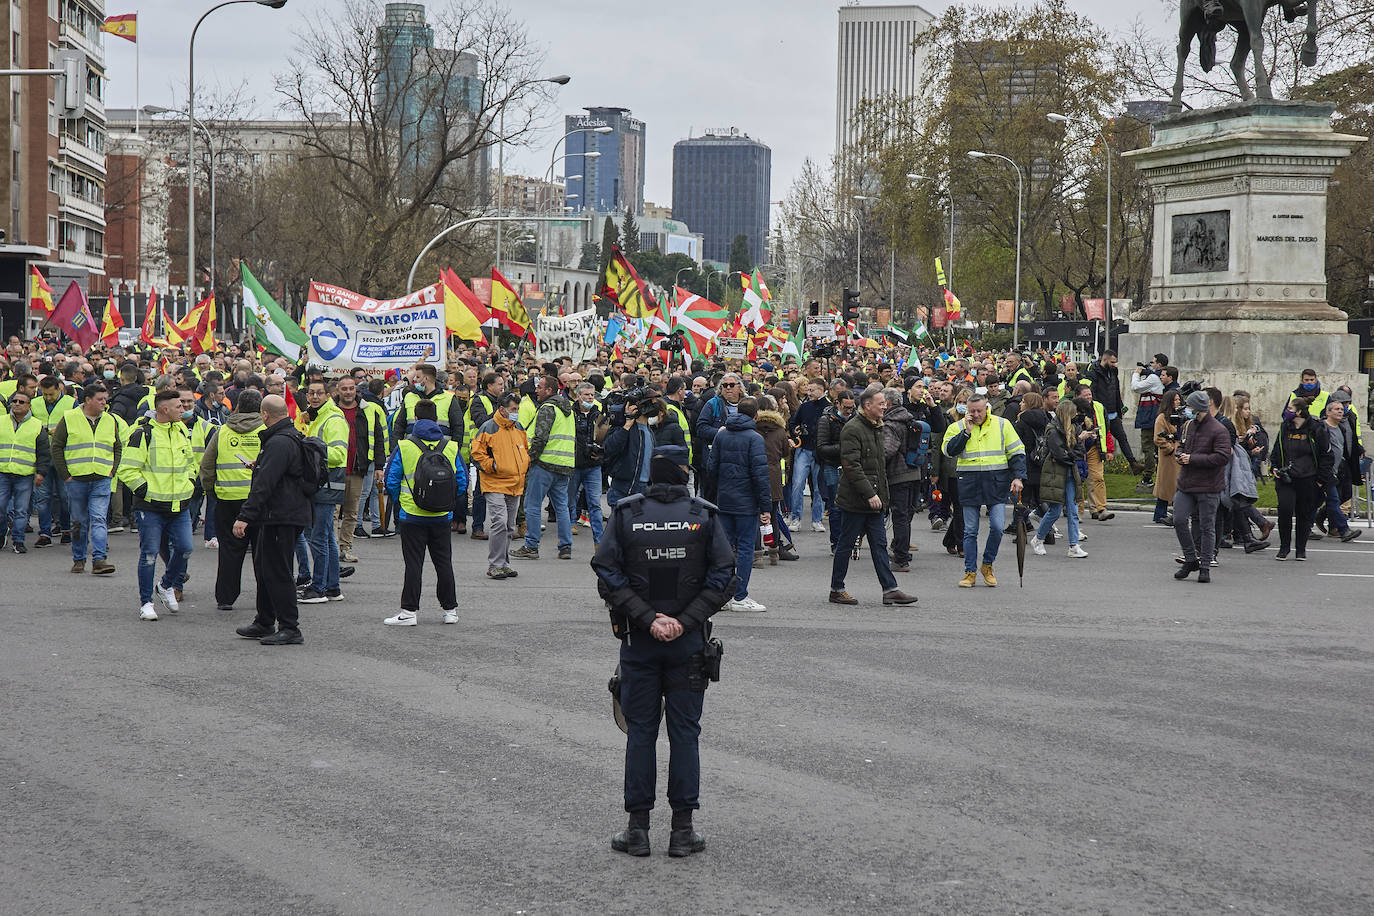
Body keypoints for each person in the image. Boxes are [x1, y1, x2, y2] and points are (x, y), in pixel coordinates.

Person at [591, 444, 735, 859]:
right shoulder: (703, 515)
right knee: (685, 734)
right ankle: (682, 831)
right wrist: (685, 622)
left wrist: (648, 618)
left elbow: (606, 573)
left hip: (639, 641)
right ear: (682, 471)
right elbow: (724, 575)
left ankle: (637, 830)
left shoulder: (626, 513)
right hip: (688, 642)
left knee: (641, 733)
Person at [827, 388, 919, 607]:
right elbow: (852, 467)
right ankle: (836, 589)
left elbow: (878, 468)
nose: (884, 407)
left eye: (885, 403)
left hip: (875, 499)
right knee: (846, 545)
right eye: (880, 403)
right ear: (868, 405)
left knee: (879, 545)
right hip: (856, 500)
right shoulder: (853, 428)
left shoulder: (878, 427)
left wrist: (881, 497)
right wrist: (869, 494)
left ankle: (890, 590)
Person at [232, 395, 311, 645]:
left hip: (282, 515)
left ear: (265, 415)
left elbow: (265, 485)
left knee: (278, 571)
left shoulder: (279, 442)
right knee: (265, 569)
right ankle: (264, 621)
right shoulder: (288, 436)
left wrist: (244, 517)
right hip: (280, 514)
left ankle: (290, 627)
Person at [382, 399, 466, 626]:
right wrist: (446, 503)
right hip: (441, 516)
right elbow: (462, 481)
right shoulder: (450, 446)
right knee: (444, 563)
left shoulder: (404, 446)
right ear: (437, 419)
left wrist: (403, 502)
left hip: (412, 515)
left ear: (415, 419)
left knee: (413, 564)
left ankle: (409, 612)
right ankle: (450, 610)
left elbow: (391, 480)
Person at [117, 389, 197, 621]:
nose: (183, 409)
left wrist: (190, 482)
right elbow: (127, 469)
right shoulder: (142, 433)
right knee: (149, 555)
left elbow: (190, 462)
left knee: (185, 548)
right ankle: (146, 603)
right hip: (151, 507)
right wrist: (146, 491)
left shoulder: (181, 429)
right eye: (179, 406)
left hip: (179, 504)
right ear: (165, 409)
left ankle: (165, 585)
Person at [942, 392, 1027, 588]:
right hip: (969, 483)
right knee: (970, 531)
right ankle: (970, 571)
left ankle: (987, 564)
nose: (976, 414)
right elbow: (948, 451)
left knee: (997, 527)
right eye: (972, 411)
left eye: (979, 410)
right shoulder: (957, 427)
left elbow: (1017, 451)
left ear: (986, 407)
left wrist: (1018, 477)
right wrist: (966, 432)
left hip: (996, 482)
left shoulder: (1002, 424)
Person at [704, 397, 771, 612]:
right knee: (744, 549)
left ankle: (720, 595)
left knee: (723, 549)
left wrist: (712, 498)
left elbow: (711, 469)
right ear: (756, 415)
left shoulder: (721, 434)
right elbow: (760, 475)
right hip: (746, 502)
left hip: (724, 499)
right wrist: (766, 506)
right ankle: (739, 596)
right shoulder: (755, 438)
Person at [200, 389, 264, 611]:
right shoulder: (267, 430)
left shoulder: (223, 431)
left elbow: (207, 465)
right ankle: (265, 597)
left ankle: (225, 598)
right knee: (262, 552)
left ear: (237, 406)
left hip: (227, 499)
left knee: (229, 550)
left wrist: (212, 491)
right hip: (259, 501)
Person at [50, 381, 120, 575]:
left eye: (105, 399)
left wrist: (112, 469)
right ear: (87, 400)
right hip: (77, 480)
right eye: (100, 399)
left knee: (98, 519)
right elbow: (56, 446)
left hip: (101, 478)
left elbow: (117, 446)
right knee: (79, 521)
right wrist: (65, 474)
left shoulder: (109, 419)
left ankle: (99, 559)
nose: (104, 403)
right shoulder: (70, 418)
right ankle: (79, 558)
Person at [512, 374, 576, 561]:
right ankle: (565, 547)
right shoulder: (568, 409)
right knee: (562, 507)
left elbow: (540, 438)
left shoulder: (547, 408)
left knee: (533, 505)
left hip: (544, 464)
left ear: (549, 390)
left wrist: (529, 460)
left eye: (539, 387)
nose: (536, 390)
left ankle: (531, 546)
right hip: (564, 465)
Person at [1172, 390, 1232, 583]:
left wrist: (1193, 459)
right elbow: (1182, 445)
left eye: (1189, 406)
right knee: (1179, 519)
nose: (1186, 409)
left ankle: (1205, 566)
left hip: (1209, 486)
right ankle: (1190, 559)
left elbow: (1222, 456)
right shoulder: (1189, 425)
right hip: (1187, 483)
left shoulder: (1218, 429)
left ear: (1198, 409)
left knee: (1207, 527)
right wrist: (1180, 454)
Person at [469, 392, 529, 579]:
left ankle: (503, 563)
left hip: (515, 483)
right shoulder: (489, 427)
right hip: (494, 482)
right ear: (502, 409)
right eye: (513, 409)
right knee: (500, 523)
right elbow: (476, 454)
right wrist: (492, 466)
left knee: (509, 526)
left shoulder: (518, 427)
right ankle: (495, 564)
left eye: (517, 409)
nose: (516, 412)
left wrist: (524, 466)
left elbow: (525, 450)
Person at [301, 378, 349, 603]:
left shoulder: (333, 418)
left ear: (328, 395)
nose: (315, 397)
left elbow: (339, 455)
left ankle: (319, 588)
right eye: (311, 393)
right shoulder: (316, 416)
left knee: (318, 537)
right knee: (326, 537)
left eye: (319, 393)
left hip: (326, 485)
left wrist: (311, 448)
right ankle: (331, 587)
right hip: (321, 484)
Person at [334, 374, 388, 564]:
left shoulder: (367, 410)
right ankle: (332, 549)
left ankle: (345, 548)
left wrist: (380, 466)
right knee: (333, 512)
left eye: (351, 389)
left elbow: (379, 439)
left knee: (351, 512)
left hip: (358, 468)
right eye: (344, 389)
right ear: (337, 391)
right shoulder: (329, 410)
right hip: (334, 469)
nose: (348, 392)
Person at [1269, 397, 1331, 560]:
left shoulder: (1315, 429)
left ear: (1299, 412)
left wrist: (1320, 479)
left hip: (1308, 478)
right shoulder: (1285, 427)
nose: (1287, 411)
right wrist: (1274, 467)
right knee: (1285, 510)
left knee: (1304, 514)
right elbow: (1276, 449)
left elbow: (1326, 455)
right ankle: (1284, 547)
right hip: (1286, 478)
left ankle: (1301, 549)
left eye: (1290, 409)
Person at [1030, 400, 1090, 558]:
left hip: (1070, 472)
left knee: (1073, 510)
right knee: (1054, 511)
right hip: (1055, 473)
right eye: (1073, 413)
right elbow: (1058, 454)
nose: (1076, 415)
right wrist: (1069, 455)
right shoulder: (1053, 430)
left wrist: (1067, 454)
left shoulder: (1075, 428)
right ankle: (1038, 539)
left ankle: (1073, 545)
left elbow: (1078, 452)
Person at [0, 388, 49, 554]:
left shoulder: (36, 425)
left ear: (29, 406)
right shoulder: (1, 421)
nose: (17, 404)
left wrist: (41, 472)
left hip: (25, 474)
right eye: (14, 401)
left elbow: (43, 452)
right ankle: (1, 535)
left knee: (21, 510)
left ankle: (18, 541)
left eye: (21, 402)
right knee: (1, 507)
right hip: (2, 472)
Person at [880, 386, 922, 574]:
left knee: (900, 517)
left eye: (882, 403)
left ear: (888, 403)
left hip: (899, 474)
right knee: (906, 515)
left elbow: (887, 451)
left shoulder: (891, 423)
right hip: (915, 472)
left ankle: (901, 558)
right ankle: (901, 551)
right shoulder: (908, 418)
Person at [30, 374, 75, 546]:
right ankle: (45, 533)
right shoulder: (34, 403)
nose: (48, 398)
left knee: (65, 497)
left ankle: (66, 529)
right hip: (41, 457)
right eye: (44, 394)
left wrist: (62, 430)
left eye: (51, 394)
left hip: (63, 456)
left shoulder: (70, 403)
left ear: (59, 389)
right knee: (43, 497)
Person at [464, 371, 506, 541]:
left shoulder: (502, 401)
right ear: (489, 386)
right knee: (481, 490)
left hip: (501, 448)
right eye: (499, 384)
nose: (503, 387)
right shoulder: (478, 400)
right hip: (484, 450)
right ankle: (477, 527)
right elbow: (481, 421)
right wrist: (500, 413)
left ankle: (503, 525)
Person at [1086, 350, 1144, 474]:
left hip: (1113, 413)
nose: (1115, 364)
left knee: (1122, 438)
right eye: (1112, 362)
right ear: (1105, 360)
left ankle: (1133, 463)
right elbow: (1092, 393)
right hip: (1101, 414)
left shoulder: (1112, 372)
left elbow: (1116, 391)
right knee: (1100, 441)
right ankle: (1097, 466)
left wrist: (1120, 407)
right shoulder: (1093, 373)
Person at [1315, 397, 1363, 543]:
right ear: (1328, 412)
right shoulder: (1322, 428)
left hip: (1336, 470)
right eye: (1337, 409)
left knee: (1316, 501)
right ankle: (1344, 530)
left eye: (1342, 409)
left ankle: (1310, 523)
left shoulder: (1341, 428)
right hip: (1324, 471)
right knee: (1333, 500)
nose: (1340, 412)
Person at [816, 390, 855, 556]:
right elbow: (821, 448)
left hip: (852, 467)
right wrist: (844, 447)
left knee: (852, 507)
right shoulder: (826, 420)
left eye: (851, 407)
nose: (849, 411)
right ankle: (836, 543)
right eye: (846, 407)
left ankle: (849, 541)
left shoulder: (855, 419)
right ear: (837, 404)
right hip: (832, 466)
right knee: (836, 506)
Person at [788, 378, 829, 532]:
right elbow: (792, 423)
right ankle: (796, 518)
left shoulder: (828, 408)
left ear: (821, 390)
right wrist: (795, 430)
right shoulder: (804, 407)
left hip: (820, 452)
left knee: (819, 487)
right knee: (797, 484)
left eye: (812, 390)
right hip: (804, 449)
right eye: (808, 390)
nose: (808, 392)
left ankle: (817, 519)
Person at [568, 382, 605, 546]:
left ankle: (600, 541)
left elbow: (605, 439)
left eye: (592, 395)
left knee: (595, 505)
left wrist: (601, 454)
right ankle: (567, 535)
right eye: (587, 395)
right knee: (570, 501)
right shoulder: (569, 413)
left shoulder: (599, 415)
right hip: (574, 465)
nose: (590, 397)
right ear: (578, 396)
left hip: (593, 466)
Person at [1130, 354, 1169, 489]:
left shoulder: (1153, 377)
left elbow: (1135, 387)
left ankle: (1147, 477)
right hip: (1155, 417)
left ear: (1159, 365)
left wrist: (1136, 373)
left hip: (1149, 417)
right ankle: (1158, 475)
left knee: (1148, 447)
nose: (1151, 365)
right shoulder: (1159, 377)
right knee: (1156, 448)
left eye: (1152, 363)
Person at [1152, 389, 1182, 526]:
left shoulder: (1180, 416)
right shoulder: (1162, 418)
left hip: (1178, 456)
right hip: (1168, 458)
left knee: (1175, 485)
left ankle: (1172, 513)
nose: (1178, 402)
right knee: (1166, 485)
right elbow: (1158, 438)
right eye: (1175, 400)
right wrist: (1170, 449)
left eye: (1178, 399)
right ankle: (1161, 513)